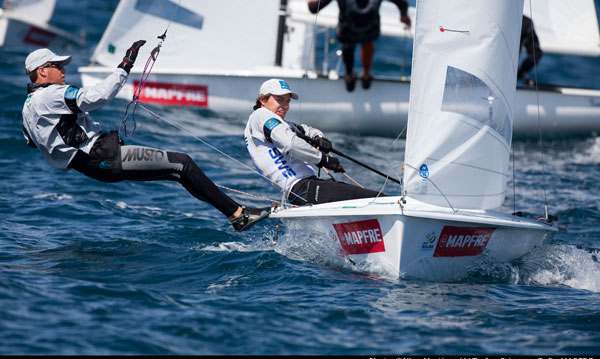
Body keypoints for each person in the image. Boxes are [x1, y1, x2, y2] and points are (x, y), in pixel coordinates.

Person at [21, 43, 269, 232]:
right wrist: (125, 64)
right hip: (101, 155)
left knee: (179, 172)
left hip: (90, 166)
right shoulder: (54, 94)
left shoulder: (28, 107)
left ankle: (237, 214)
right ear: (42, 71)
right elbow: (99, 96)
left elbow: (32, 142)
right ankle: (238, 215)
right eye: (57, 66)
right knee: (183, 163)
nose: (63, 69)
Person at [244, 78, 384, 206]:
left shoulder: (279, 124)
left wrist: (318, 137)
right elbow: (290, 144)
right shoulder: (261, 115)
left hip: (305, 192)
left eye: (288, 101)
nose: (285, 105)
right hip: (304, 188)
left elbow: (305, 130)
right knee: (381, 200)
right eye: (280, 99)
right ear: (263, 99)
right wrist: (322, 160)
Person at [308, 0, 410, 92]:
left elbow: (313, 8)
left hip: (348, 33)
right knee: (367, 42)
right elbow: (402, 3)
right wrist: (404, 16)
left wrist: (310, 2)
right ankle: (366, 75)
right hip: (370, 32)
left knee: (348, 44)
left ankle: (349, 76)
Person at [518, 15, 543, 86]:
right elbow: (535, 54)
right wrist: (521, 71)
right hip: (506, 78)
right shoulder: (525, 22)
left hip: (485, 75)